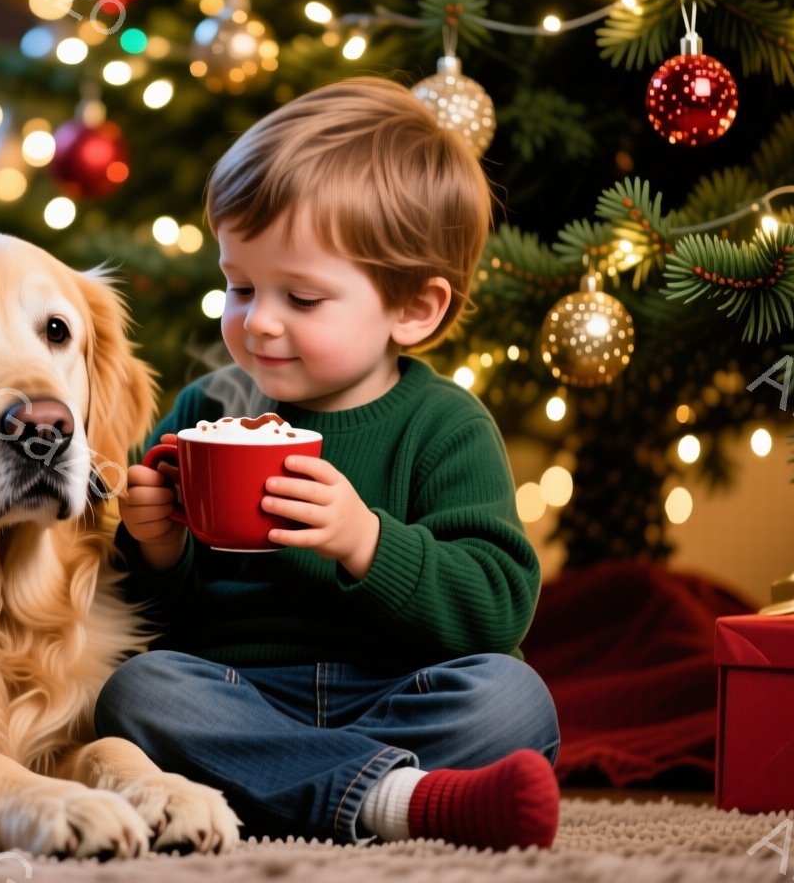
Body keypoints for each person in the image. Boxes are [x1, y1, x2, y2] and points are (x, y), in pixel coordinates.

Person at [100, 76, 561, 851]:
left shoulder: (445, 426)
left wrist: (366, 543)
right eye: (240, 286)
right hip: (241, 695)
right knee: (137, 694)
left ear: (414, 308)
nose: (259, 323)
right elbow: (153, 616)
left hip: (399, 690)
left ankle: (300, 787)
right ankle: (402, 801)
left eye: (302, 299)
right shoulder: (206, 409)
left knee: (514, 700)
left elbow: (496, 606)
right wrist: (157, 546)